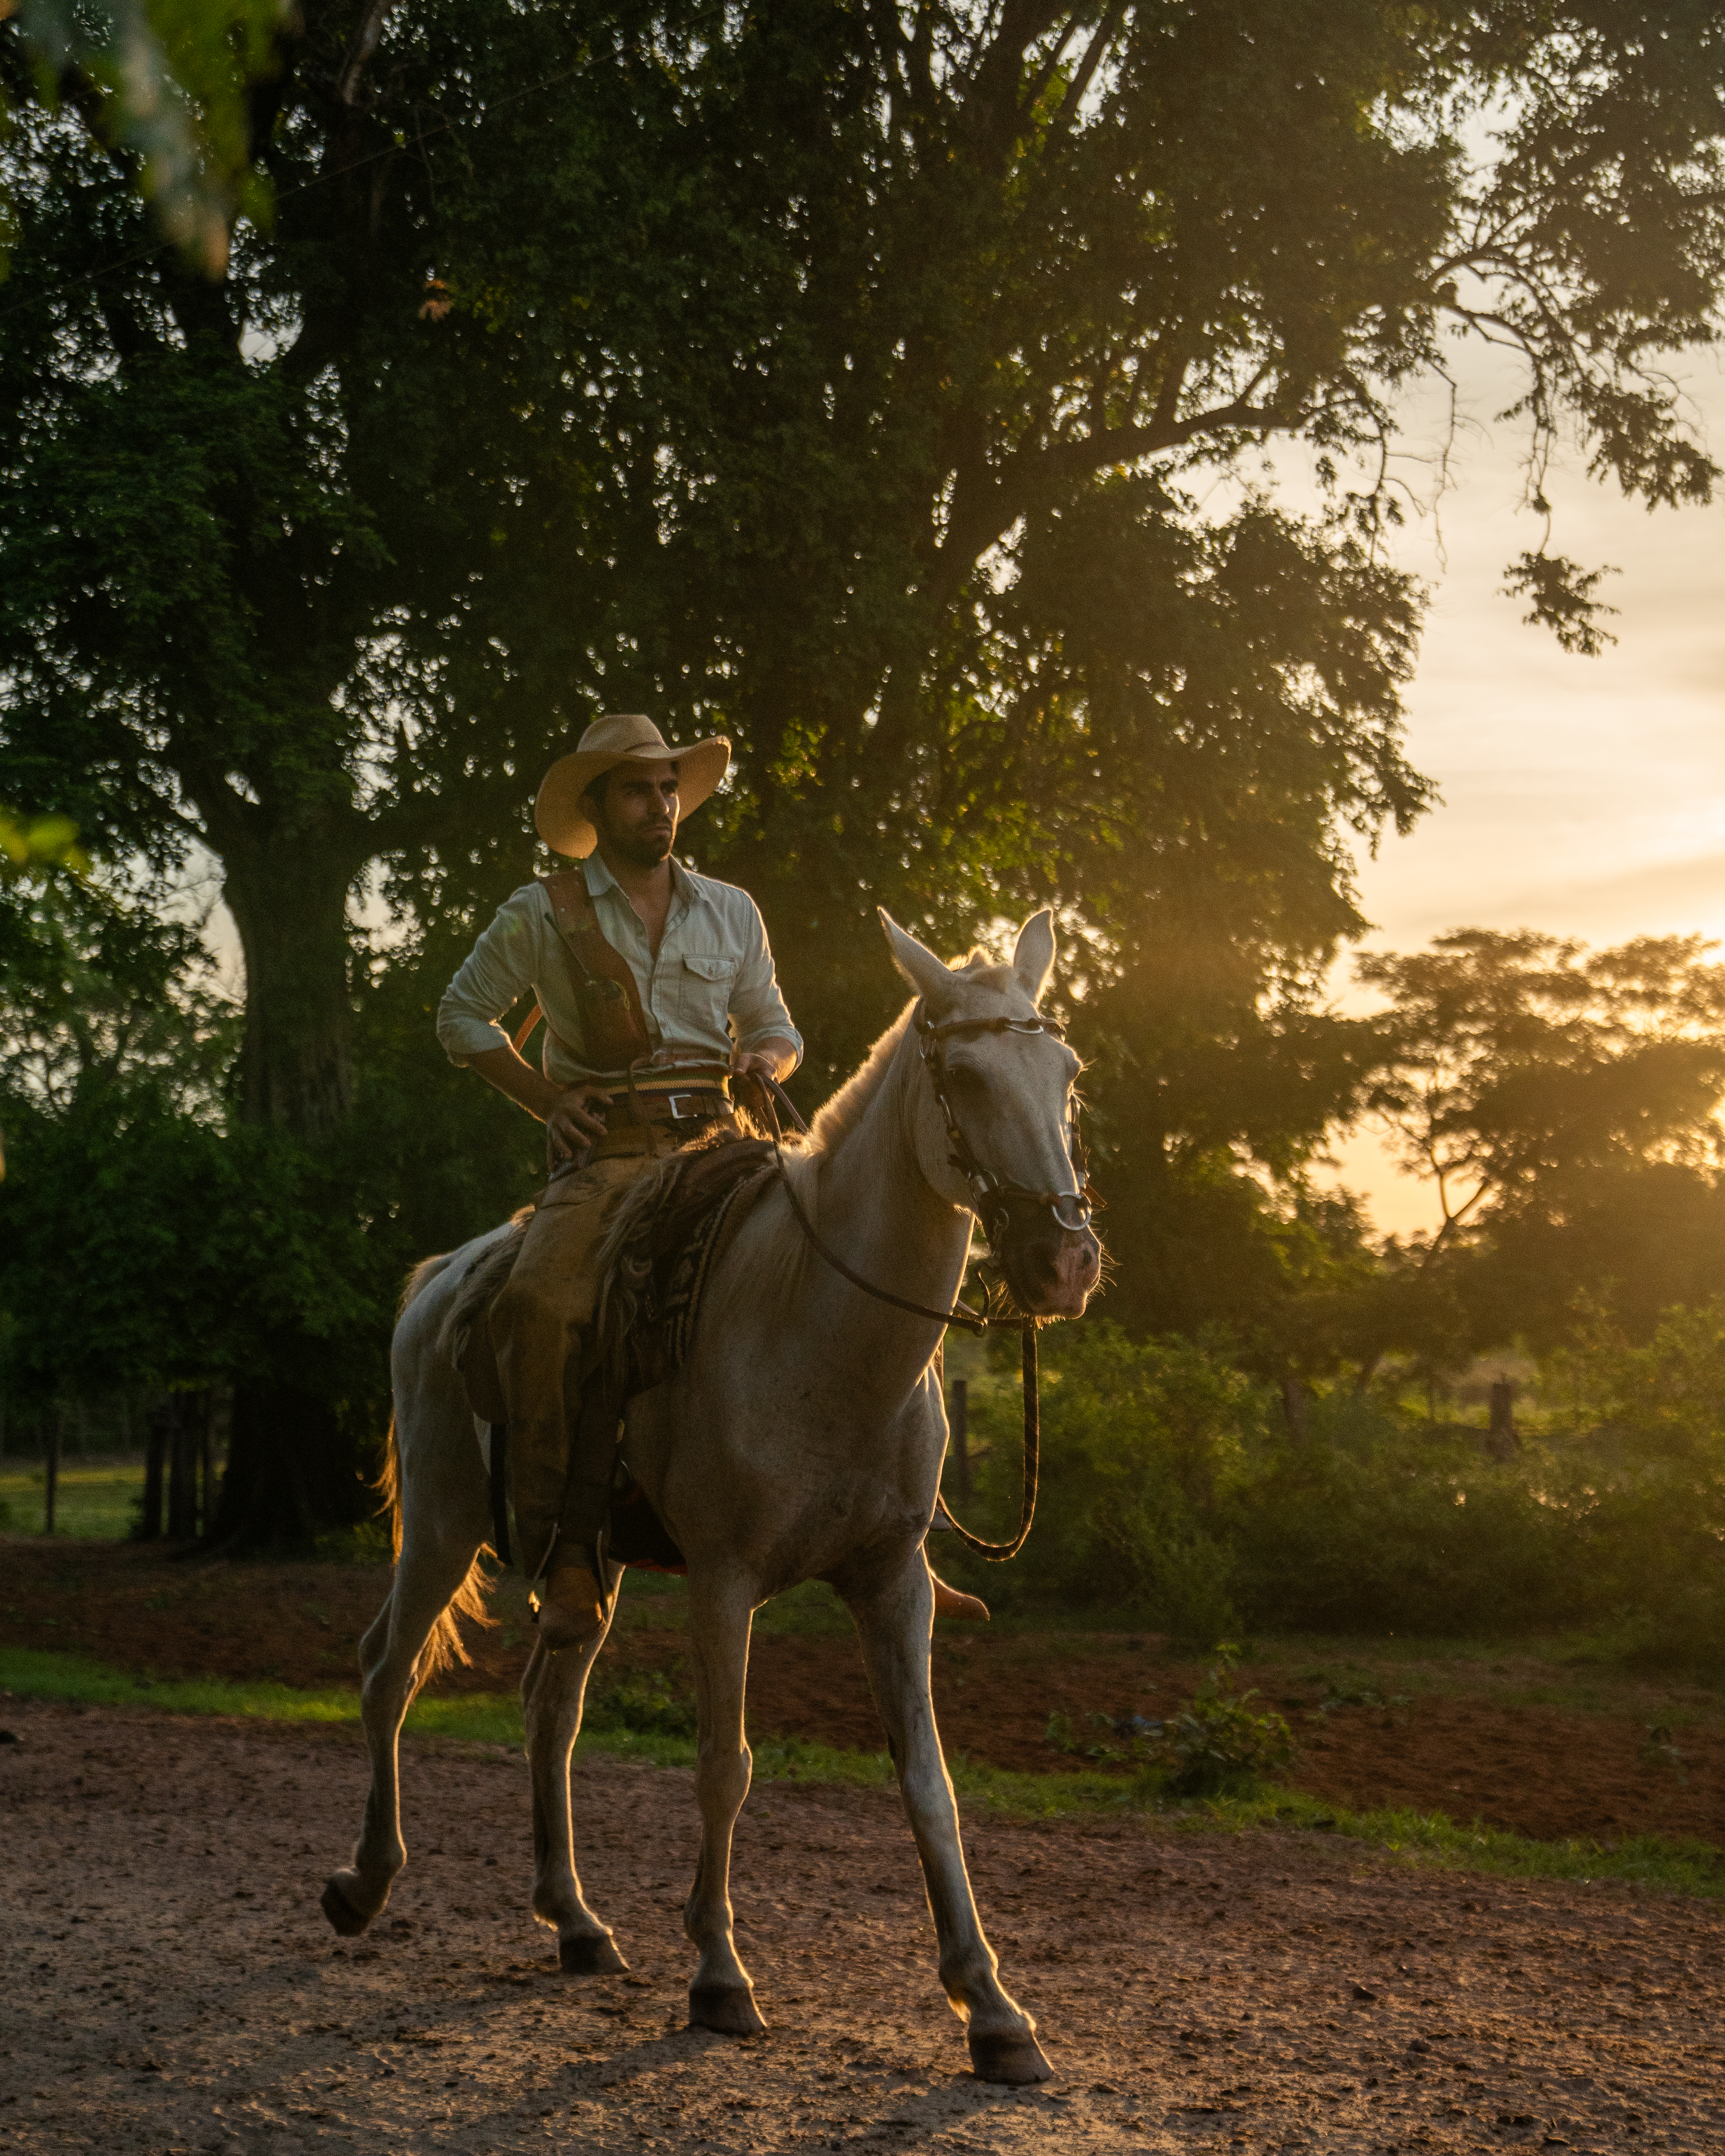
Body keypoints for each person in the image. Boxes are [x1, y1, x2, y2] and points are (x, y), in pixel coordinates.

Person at [437, 712, 800, 1649]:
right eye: (640, 789)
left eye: (670, 787)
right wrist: (545, 1100)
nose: (662, 805)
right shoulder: (542, 910)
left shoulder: (732, 909)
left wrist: (765, 1059)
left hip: (721, 1144)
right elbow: (461, 1018)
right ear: (598, 805)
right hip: (607, 1159)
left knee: (831, 1256)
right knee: (543, 1310)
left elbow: (777, 1027)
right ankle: (565, 1549)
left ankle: (883, 1527)